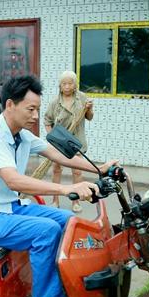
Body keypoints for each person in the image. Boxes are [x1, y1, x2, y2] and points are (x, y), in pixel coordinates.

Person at [0, 75, 118, 297]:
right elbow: (14, 181)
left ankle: (58, 287)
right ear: (10, 105)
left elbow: (61, 156)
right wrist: (67, 188)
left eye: (37, 110)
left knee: (69, 221)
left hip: (8, 208)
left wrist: (100, 168)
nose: (35, 116)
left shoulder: (21, 135)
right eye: (30, 109)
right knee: (46, 231)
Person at [43, 71, 94, 213]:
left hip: (75, 142)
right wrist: (52, 137)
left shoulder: (82, 98)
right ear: (60, 85)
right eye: (64, 83)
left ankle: (76, 202)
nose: (67, 86)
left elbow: (89, 117)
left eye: (70, 83)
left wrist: (89, 109)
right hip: (60, 144)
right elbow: (47, 120)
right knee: (56, 170)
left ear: (75, 84)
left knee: (77, 172)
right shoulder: (55, 102)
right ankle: (55, 200)